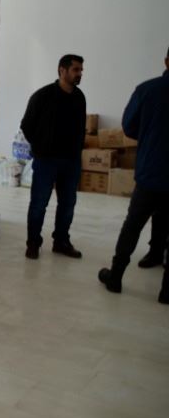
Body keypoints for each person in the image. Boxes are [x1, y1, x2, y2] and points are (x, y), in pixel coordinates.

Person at [98, 47, 169, 304]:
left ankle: (115, 277)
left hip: (150, 173)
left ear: (166, 61)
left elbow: (128, 127)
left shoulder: (147, 90)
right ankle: (167, 291)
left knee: (132, 226)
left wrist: (151, 135)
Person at [20, 54, 86, 260]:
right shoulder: (43, 96)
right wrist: (41, 148)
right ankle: (33, 243)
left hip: (71, 161)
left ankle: (61, 242)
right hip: (46, 160)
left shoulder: (79, 97)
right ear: (62, 70)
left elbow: (80, 128)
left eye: (81, 70)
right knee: (39, 203)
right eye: (75, 70)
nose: (79, 74)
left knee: (68, 204)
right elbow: (26, 125)